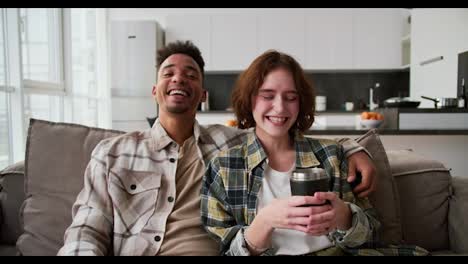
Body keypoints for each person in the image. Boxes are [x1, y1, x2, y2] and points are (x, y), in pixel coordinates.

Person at [58, 41, 376, 256]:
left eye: (190, 74)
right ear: (155, 89)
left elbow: (284, 135)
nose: (179, 79)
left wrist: (353, 148)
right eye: (169, 73)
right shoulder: (113, 153)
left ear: (203, 94)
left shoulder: (227, 144)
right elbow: (87, 228)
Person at [201, 50, 429, 256]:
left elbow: (371, 234)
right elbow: (224, 250)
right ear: (249, 99)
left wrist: (345, 217)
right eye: (267, 96)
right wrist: (264, 221)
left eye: (291, 97)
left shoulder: (331, 155)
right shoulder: (223, 167)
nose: (280, 108)